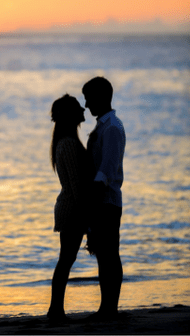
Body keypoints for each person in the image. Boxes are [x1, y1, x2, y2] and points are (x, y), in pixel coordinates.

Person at [83, 76, 126, 320]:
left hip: (107, 201)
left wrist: (92, 201)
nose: (86, 104)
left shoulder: (111, 128)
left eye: (89, 98)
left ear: (100, 97)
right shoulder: (105, 125)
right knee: (104, 255)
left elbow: (106, 171)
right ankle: (106, 306)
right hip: (103, 200)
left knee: (110, 254)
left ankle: (110, 307)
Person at [47, 94, 90, 322]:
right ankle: (56, 310)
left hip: (69, 207)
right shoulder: (70, 144)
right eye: (78, 108)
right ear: (71, 115)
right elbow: (76, 186)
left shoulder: (64, 142)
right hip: (72, 209)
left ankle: (56, 309)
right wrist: (88, 218)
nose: (84, 110)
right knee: (66, 260)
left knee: (66, 259)